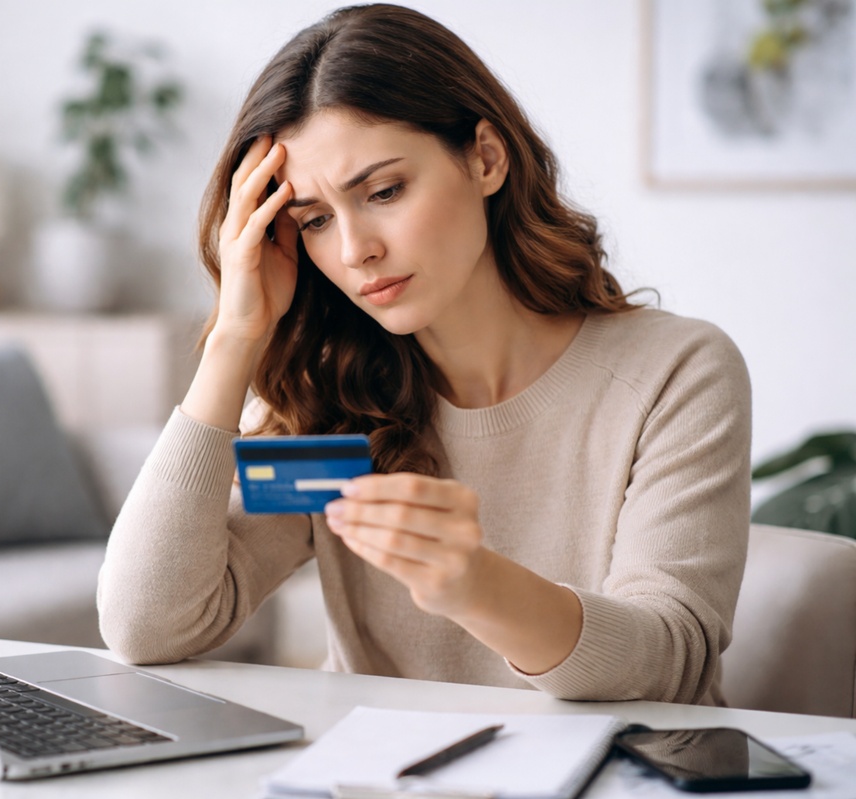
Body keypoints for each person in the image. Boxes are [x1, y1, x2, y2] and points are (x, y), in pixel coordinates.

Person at [97, 3, 751, 705]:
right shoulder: (333, 394)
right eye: (314, 220)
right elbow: (147, 624)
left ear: (486, 158)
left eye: (383, 191)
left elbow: (669, 660)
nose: (354, 251)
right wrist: (234, 337)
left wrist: (475, 584)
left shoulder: (674, 372)